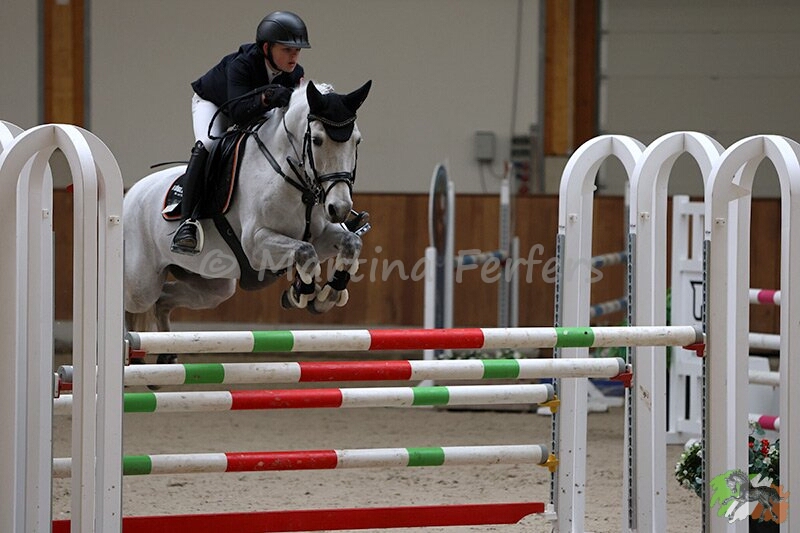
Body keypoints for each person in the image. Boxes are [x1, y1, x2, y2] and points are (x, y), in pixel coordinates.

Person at [171, 10, 310, 255]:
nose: (294, 56)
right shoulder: (242, 64)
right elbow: (236, 113)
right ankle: (187, 222)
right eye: (287, 49)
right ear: (267, 48)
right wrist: (267, 97)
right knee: (208, 144)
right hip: (215, 105)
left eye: (297, 50)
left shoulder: (295, 73)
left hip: (252, 109)